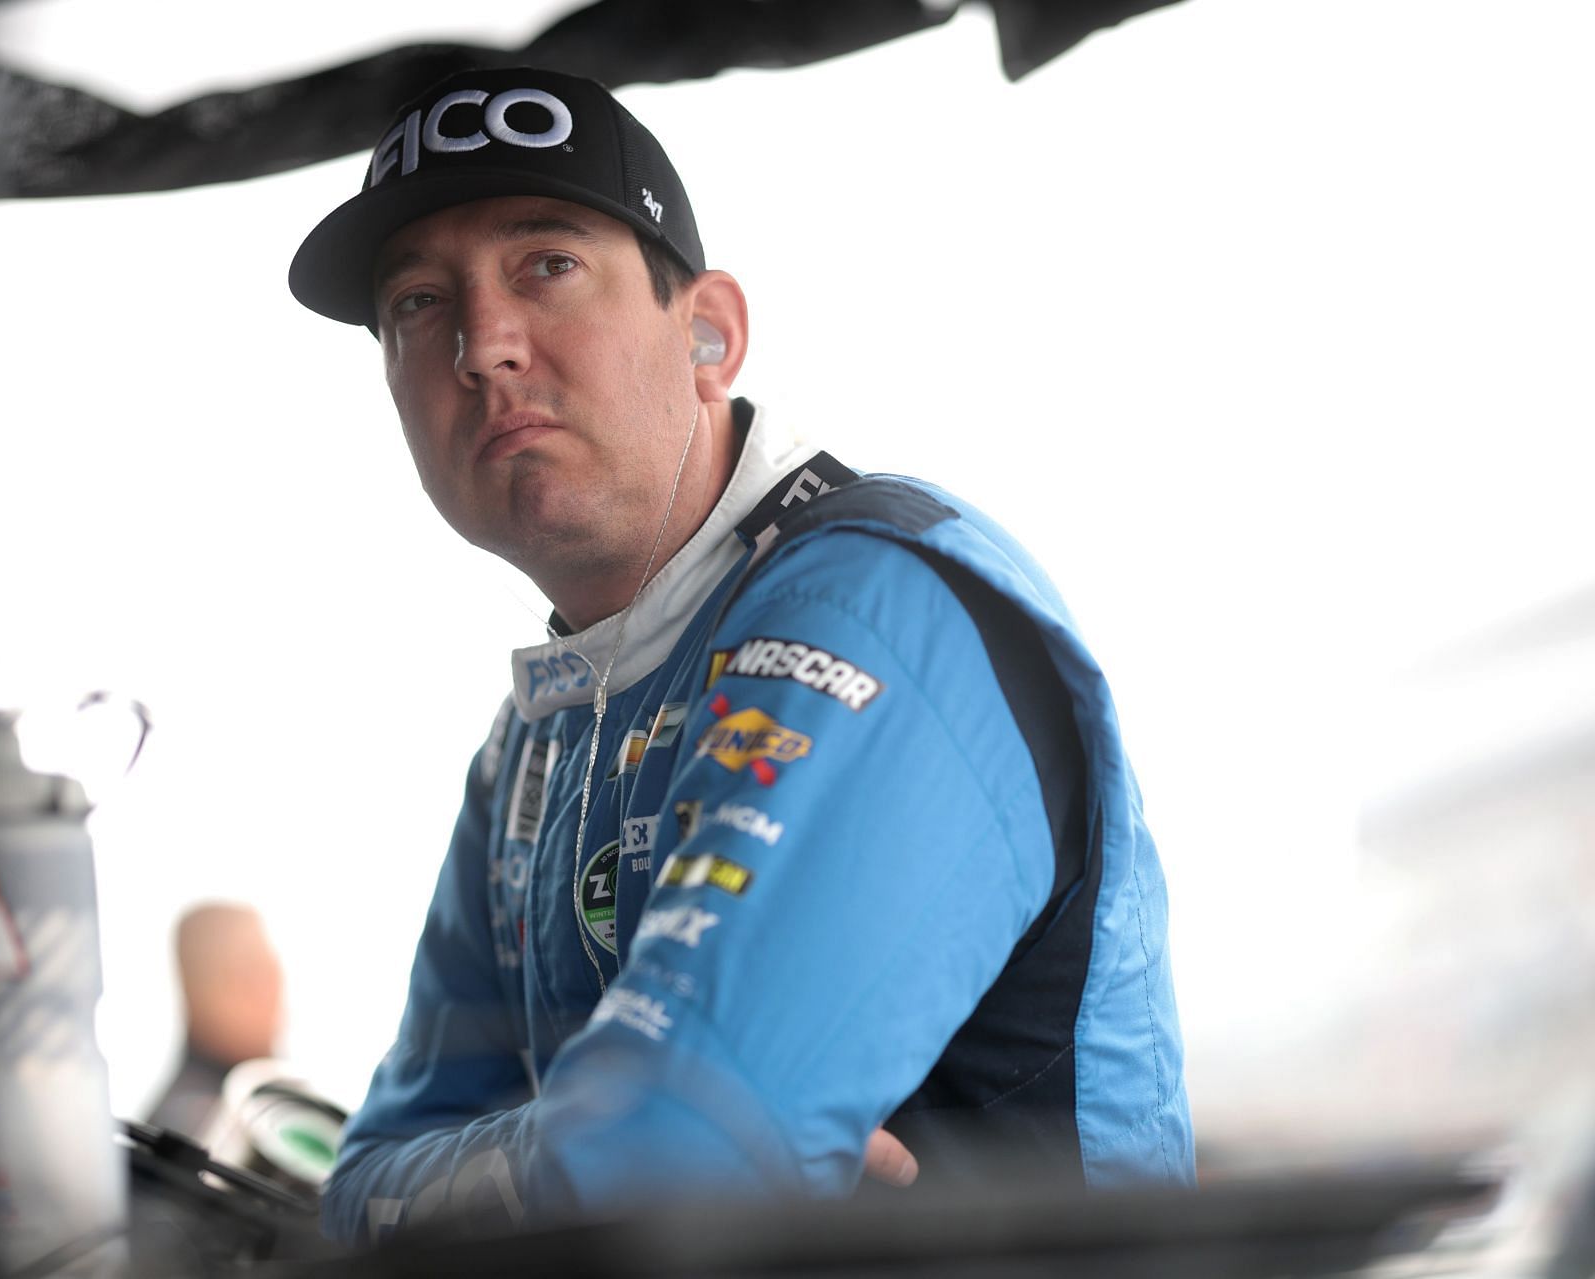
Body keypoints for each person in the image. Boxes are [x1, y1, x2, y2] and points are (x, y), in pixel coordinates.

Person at [286, 67, 1194, 1246]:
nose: (483, 343)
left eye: (546, 265)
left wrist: (597, 1151)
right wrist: (579, 1145)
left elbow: (670, 1161)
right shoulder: (535, 736)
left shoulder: (875, 603)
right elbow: (357, 1191)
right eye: (416, 301)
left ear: (709, 331)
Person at [145, 902, 286, 1140]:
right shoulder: (192, 1124)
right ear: (194, 990)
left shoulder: (272, 1100)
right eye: (246, 975)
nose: (270, 991)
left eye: (270, 968)